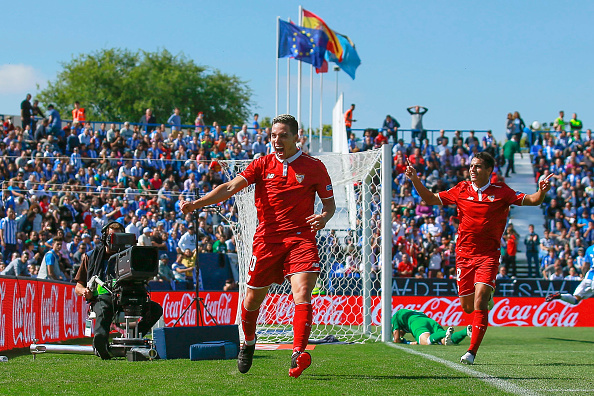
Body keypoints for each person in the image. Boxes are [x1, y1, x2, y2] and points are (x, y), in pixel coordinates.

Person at [181, 114, 335, 377]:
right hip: (267, 241)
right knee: (252, 300)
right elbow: (229, 186)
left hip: (301, 238)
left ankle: (298, 353)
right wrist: (197, 204)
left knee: (303, 292)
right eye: (273, 135)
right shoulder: (262, 164)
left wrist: (324, 216)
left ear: (296, 137)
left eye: (283, 135)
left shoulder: (315, 167)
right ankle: (248, 341)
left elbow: (329, 205)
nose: (276, 140)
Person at [405, 151, 553, 365]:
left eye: (478, 166)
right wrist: (415, 179)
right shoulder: (461, 189)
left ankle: (471, 352)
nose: (472, 170)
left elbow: (533, 200)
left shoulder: (502, 191)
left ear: (489, 171)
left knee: (480, 299)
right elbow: (429, 199)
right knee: (468, 307)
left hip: (488, 256)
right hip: (464, 256)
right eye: (472, 166)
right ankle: (484, 300)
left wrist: (542, 191)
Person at [74, 221, 163, 359]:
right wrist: (85, 291)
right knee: (104, 308)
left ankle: (134, 336)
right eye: (113, 238)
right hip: (104, 297)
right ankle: (101, 341)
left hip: (130, 295)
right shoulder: (91, 256)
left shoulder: (133, 255)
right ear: (105, 238)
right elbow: (78, 286)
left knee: (156, 309)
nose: (116, 242)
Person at [392, 309, 470, 346]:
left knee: (426, 341)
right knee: (445, 341)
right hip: (429, 321)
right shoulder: (405, 314)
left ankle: (444, 332)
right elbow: (401, 334)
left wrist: (408, 342)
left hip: (417, 323)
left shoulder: (395, 317)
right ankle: (465, 331)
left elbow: (397, 339)